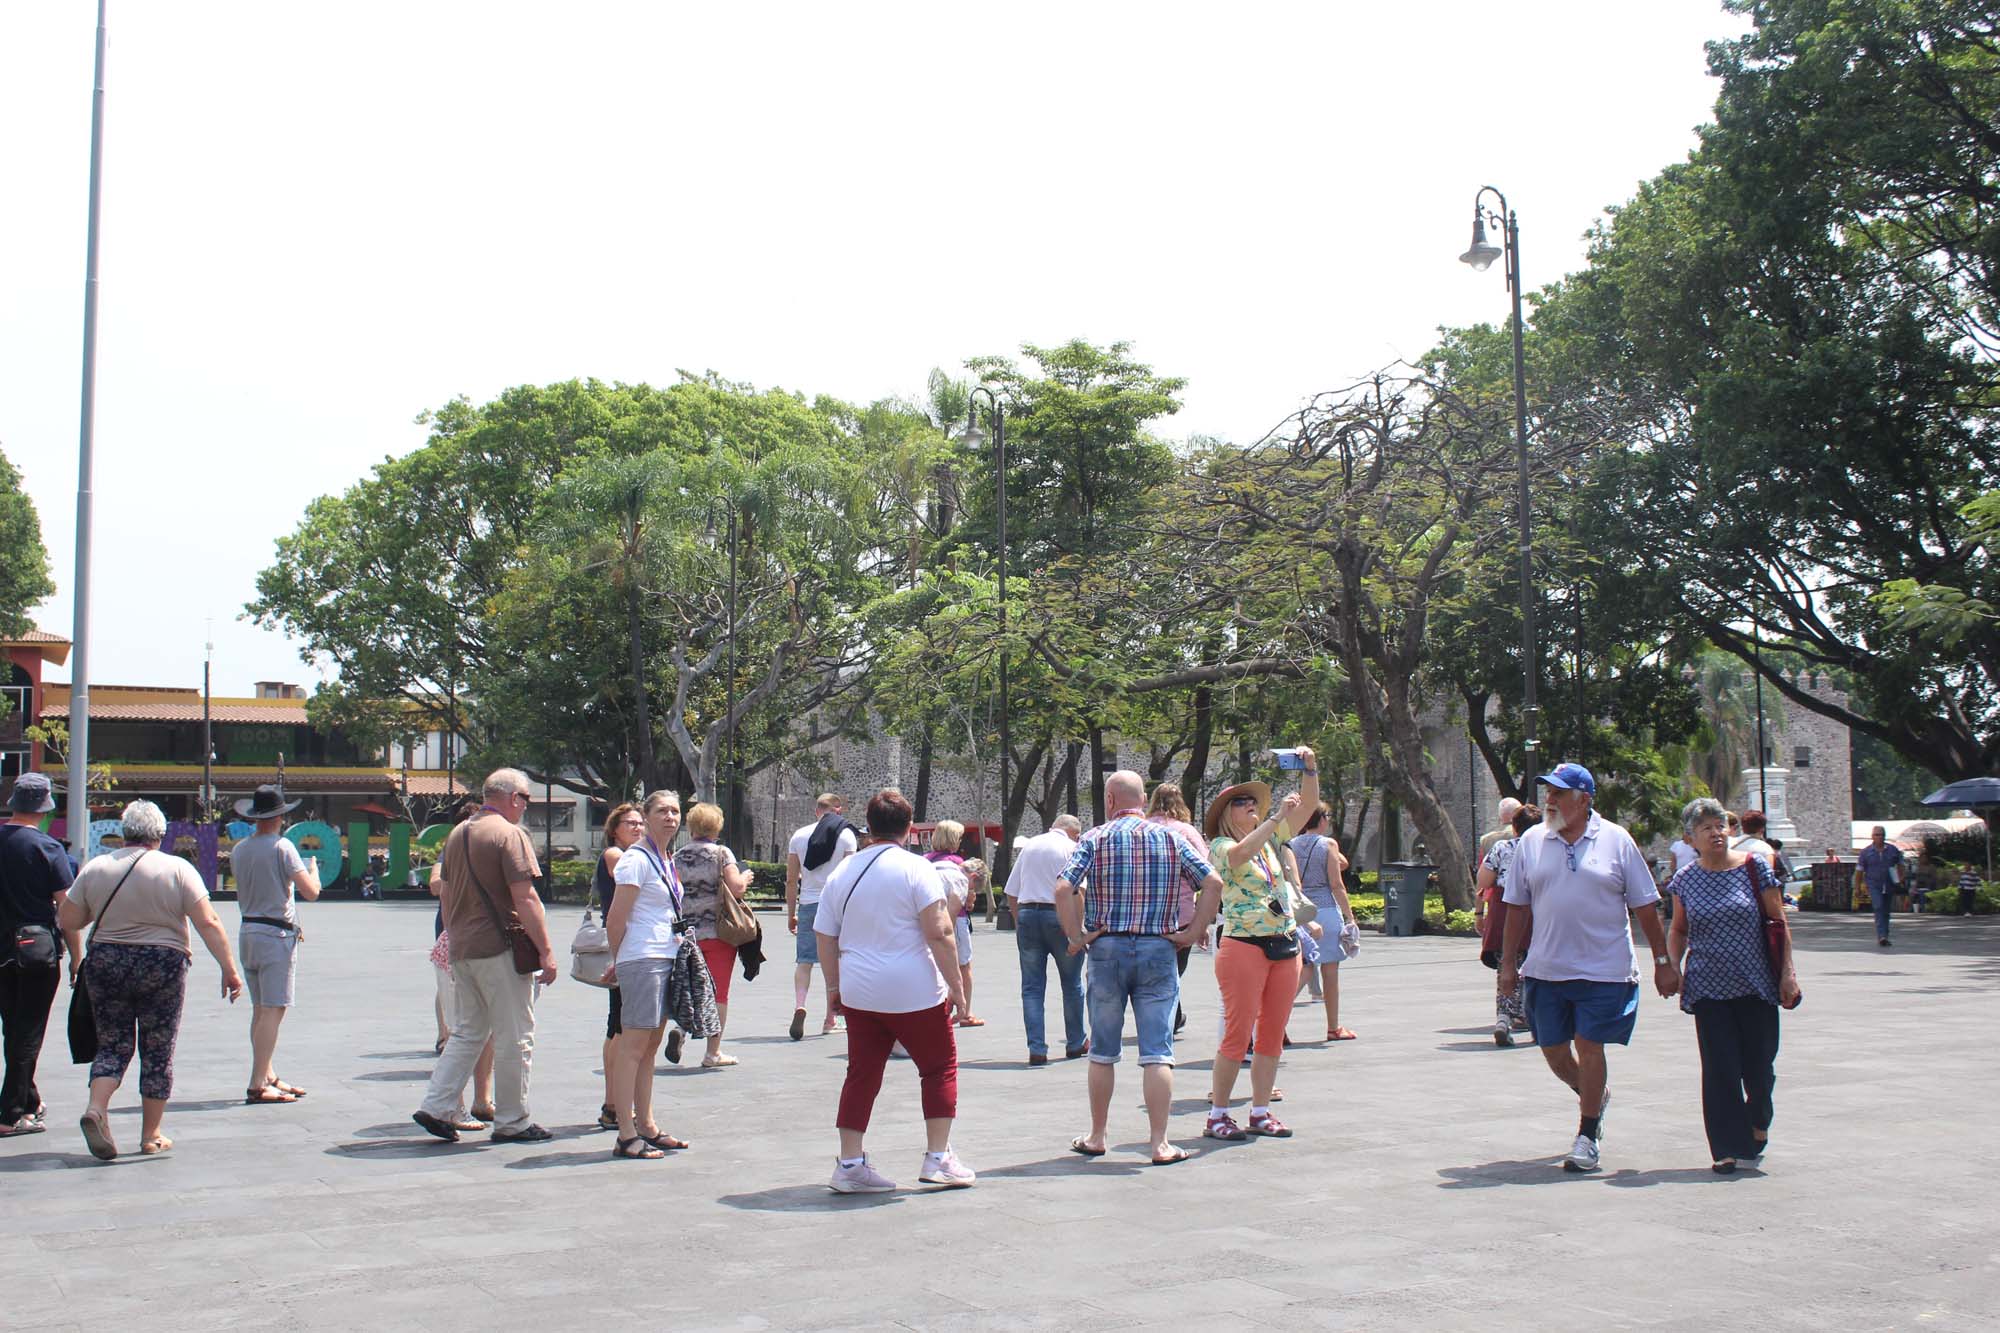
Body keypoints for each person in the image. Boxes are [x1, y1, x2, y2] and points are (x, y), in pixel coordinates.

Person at [1498, 764, 1678, 1174]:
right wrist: (1508, 964)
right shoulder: (1531, 841)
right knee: (1554, 1051)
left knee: (1588, 1043)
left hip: (1604, 969)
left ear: (1584, 799)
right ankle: (1593, 1094)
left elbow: (1645, 906)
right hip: (1546, 968)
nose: (1550, 800)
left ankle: (1587, 1133)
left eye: (1560, 793)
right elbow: (1516, 906)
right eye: (1548, 792)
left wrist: (1663, 962)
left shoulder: (1616, 840)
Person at [1054, 770, 1223, 1166]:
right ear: (1143, 800)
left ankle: (1097, 1135)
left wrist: (1076, 936)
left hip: (1107, 948)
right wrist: (1192, 931)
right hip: (1158, 949)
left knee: (1103, 1050)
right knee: (1157, 1052)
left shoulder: (1093, 839)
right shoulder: (1171, 838)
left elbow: (1063, 888)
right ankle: (1160, 1143)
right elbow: (1212, 883)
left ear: (1110, 800)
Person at [58, 800, 244, 1159]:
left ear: (125, 832)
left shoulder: (97, 867)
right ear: (161, 834)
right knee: (158, 1049)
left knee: (112, 1043)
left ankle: (96, 1108)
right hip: (163, 963)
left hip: (107, 961)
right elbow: (207, 921)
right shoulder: (177, 868)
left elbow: (70, 920)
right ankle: (151, 1134)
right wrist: (229, 969)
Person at [816, 788, 974, 1192]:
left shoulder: (843, 872)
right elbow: (939, 933)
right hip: (913, 988)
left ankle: (850, 1163)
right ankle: (937, 1157)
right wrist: (957, 988)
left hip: (860, 989)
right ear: (909, 828)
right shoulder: (918, 869)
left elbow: (825, 935)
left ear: (868, 827)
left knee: (862, 1073)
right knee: (938, 1067)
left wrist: (833, 988)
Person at [412, 768, 556, 1144]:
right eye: (526, 799)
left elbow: (444, 893)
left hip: (462, 946)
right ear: (513, 798)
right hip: (499, 948)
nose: (525, 807)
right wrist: (546, 951)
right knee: (515, 1035)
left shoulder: (458, 834)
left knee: (467, 1033)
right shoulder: (509, 834)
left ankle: (437, 1104)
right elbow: (525, 897)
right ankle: (512, 1120)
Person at [1665, 797, 1800, 1172]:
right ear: (1690, 838)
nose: (1716, 833)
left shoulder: (1754, 868)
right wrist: (1673, 966)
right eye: (1706, 827)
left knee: (1760, 1068)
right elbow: (1678, 929)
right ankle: (1724, 1147)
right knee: (1719, 1068)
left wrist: (1787, 973)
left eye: (1720, 825)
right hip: (1708, 987)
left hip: (1756, 984)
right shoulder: (1686, 879)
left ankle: (1757, 1121)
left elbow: (1778, 922)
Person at [1202, 750, 1322, 1142]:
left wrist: (1310, 769)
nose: (1251, 805)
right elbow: (1238, 857)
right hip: (1244, 945)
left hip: (1283, 941)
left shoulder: (1272, 839)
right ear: (1225, 812)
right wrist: (1273, 819)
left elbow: (1305, 810)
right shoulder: (1219, 844)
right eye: (1241, 802)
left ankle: (1259, 1111)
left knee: (1272, 1033)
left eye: (1253, 800)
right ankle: (1219, 1114)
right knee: (1238, 1033)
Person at [601, 790, 691, 1159]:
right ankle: (625, 1132)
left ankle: (647, 1124)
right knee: (633, 1047)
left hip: (665, 955)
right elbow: (616, 918)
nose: (670, 817)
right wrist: (619, 959)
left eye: (676, 810)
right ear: (647, 815)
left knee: (650, 1047)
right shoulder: (636, 859)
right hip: (643, 958)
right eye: (662, 811)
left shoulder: (666, 858)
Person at [228, 785, 321, 1105]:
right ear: (280, 816)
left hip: (248, 930)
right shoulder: (283, 848)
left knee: (259, 1010)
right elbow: (311, 892)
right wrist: (314, 873)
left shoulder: (240, 849)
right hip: (276, 935)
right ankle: (257, 1082)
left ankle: (266, 1072)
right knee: (274, 1009)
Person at [0, 773, 80, 1137]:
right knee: (28, 1032)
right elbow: (67, 911)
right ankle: (11, 1112)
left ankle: (28, 1100)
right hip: (36, 953)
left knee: (13, 1028)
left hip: (1, 949)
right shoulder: (49, 849)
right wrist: (78, 956)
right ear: (44, 808)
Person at [674, 802, 752, 1068]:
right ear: (716, 826)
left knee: (689, 987)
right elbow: (737, 888)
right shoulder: (721, 853)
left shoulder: (678, 855)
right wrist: (746, 876)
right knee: (718, 992)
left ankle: (680, 1030)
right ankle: (712, 1052)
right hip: (718, 933)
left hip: (687, 934)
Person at [1006, 814, 1085, 1064]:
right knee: (1071, 983)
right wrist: (1077, 932)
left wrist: (1021, 923)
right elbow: (1077, 892)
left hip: (1029, 913)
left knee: (1031, 987)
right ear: (1075, 833)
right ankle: (1075, 1042)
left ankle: (1037, 1048)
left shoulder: (1030, 845)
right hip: (1058, 915)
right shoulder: (1072, 848)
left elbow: (1011, 892)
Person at [787, 793, 855, 1041]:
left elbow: (792, 879)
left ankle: (800, 1005)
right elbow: (849, 876)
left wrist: (791, 913)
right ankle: (830, 1018)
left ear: (817, 811)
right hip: (836, 904)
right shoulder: (846, 835)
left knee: (804, 961)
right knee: (833, 963)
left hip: (808, 902)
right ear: (838, 811)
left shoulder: (799, 836)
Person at [1289, 802, 1359, 1042]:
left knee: (1303, 969)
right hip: (1326, 910)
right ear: (1320, 819)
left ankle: (1275, 1025)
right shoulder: (1328, 844)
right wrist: (1350, 916)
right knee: (1330, 972)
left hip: (1300, 911)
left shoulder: (1290, 844)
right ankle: (1333, 1027)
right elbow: (1337, 883)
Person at [594, 801, 645, 1128]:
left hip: (633, 943)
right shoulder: (616, 855)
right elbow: (629, 878)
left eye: (640, 823)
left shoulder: (636, 855)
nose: (637, 828)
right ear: (615, 829)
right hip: (623, 944)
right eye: (630, 824)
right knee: (619, 1025)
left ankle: (614, 1102)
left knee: (620, 1023)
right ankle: (613, 1102)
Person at [1144, 783, 1209, 1022]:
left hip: (1146, 915)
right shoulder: (1186, 832)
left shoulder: (1142, 828)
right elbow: (1207, 871)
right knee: (1175, 970)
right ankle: (1169, 1018)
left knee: (1155, 970)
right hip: (1181, 914)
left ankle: (1172, 1014)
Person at [1476, 802, 1540, 1046]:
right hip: (1538, 911)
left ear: (1514, 827)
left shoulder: (1502, 848)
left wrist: (1479, 912)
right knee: (1538, 968)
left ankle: (1504, 1017)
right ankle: (1535, 1021)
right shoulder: (1548, 849)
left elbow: (1483, 880)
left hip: (1505, 909)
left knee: (1507, 964)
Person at [923, 821, 984, 1029]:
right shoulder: (958, 865)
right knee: (964, 965)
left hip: (926, 920)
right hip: (955, 920)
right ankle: (965, 1011)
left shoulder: (925, 861)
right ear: (953, 840)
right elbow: (965, 899)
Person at [1856, 826, 1905, 947]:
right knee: (1878, 907)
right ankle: (1881, 935)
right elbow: (1859, 871)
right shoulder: (1866, 852)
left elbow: (1901, 864)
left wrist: (1901, 878)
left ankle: (1885, 935)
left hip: (1889, 883)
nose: (1879, 837)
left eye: (1882, 835)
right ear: (1872, 836)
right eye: (1877, 835)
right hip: (1874, 884)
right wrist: (1857, 887)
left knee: (1886, 910)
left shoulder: (1893, 850)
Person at [1734, 810, 1778, 878]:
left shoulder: (1730, 844)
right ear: (1762, 829)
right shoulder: (1765, 849)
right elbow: (1769, 877)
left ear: (1743, 827)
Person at [1910, 847, 1938, 914]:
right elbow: (1916, 877)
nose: (1923, 859)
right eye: (1922, 858)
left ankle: (1924, 909)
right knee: (1911, 892)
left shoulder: (1931, 867)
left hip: (1928, 886)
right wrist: (1915, 886)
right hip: (1919, 886)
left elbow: (1934, 878)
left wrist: (1929, 883)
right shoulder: (1918, 867)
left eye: (1925, 858)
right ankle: (1915, 909)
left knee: (1923, 893)